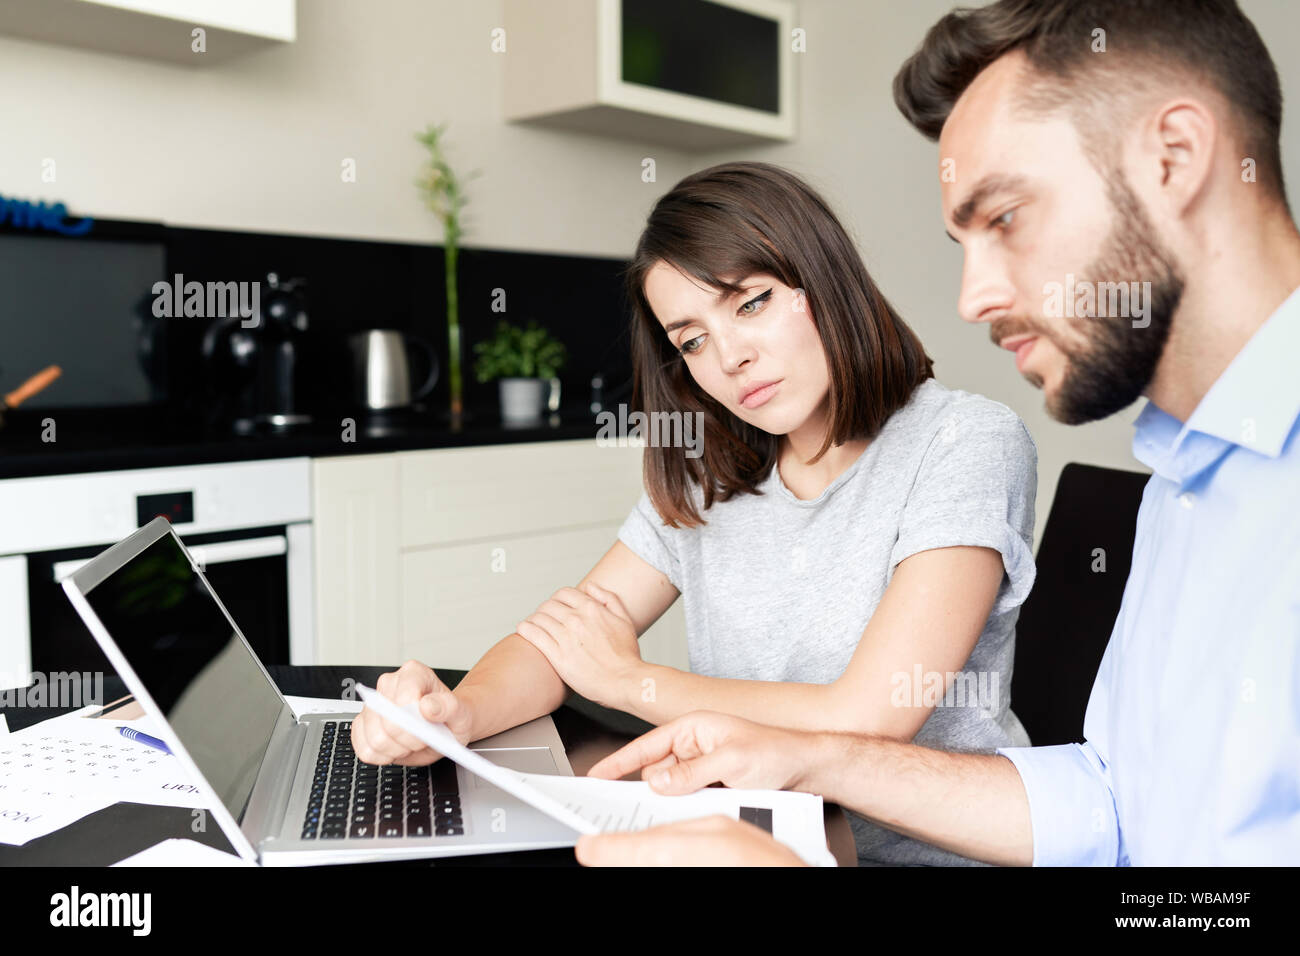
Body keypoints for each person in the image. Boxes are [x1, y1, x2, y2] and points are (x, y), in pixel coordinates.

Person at [574, 0, 1300, 866]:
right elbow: (1113, 807)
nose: (972, 299)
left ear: (1175, 157)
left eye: (1005, 219)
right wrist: (809, 756)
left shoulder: (969, 444)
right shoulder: (1190, 485)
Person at [350, 161, 1040, 864]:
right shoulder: (709, 469)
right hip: (747, 839)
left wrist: (629, 682)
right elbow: (563, 640)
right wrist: (454, 714)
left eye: (750, 303)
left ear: (824, 280)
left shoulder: (964, 442)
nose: (732, 358)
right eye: (692, 340)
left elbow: (868, 718)